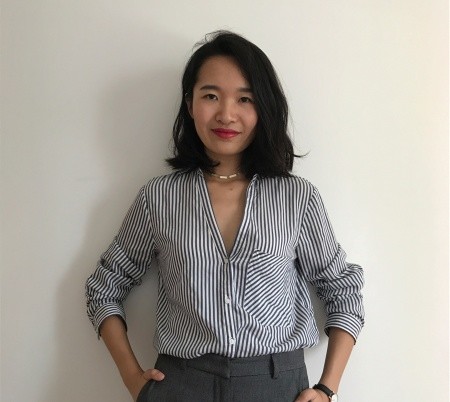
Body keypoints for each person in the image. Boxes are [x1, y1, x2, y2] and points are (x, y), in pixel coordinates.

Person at [85, 31, 364, 402]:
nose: (226, 114)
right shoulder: (159, 198)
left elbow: (343, 291)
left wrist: (327, 389)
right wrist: (133, 380)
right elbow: (104, 286)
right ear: (190, 103)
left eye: (245, 99)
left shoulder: (297, 198)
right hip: (182, 385)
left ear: (263, 108)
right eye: (211, 96)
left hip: (278, 387)